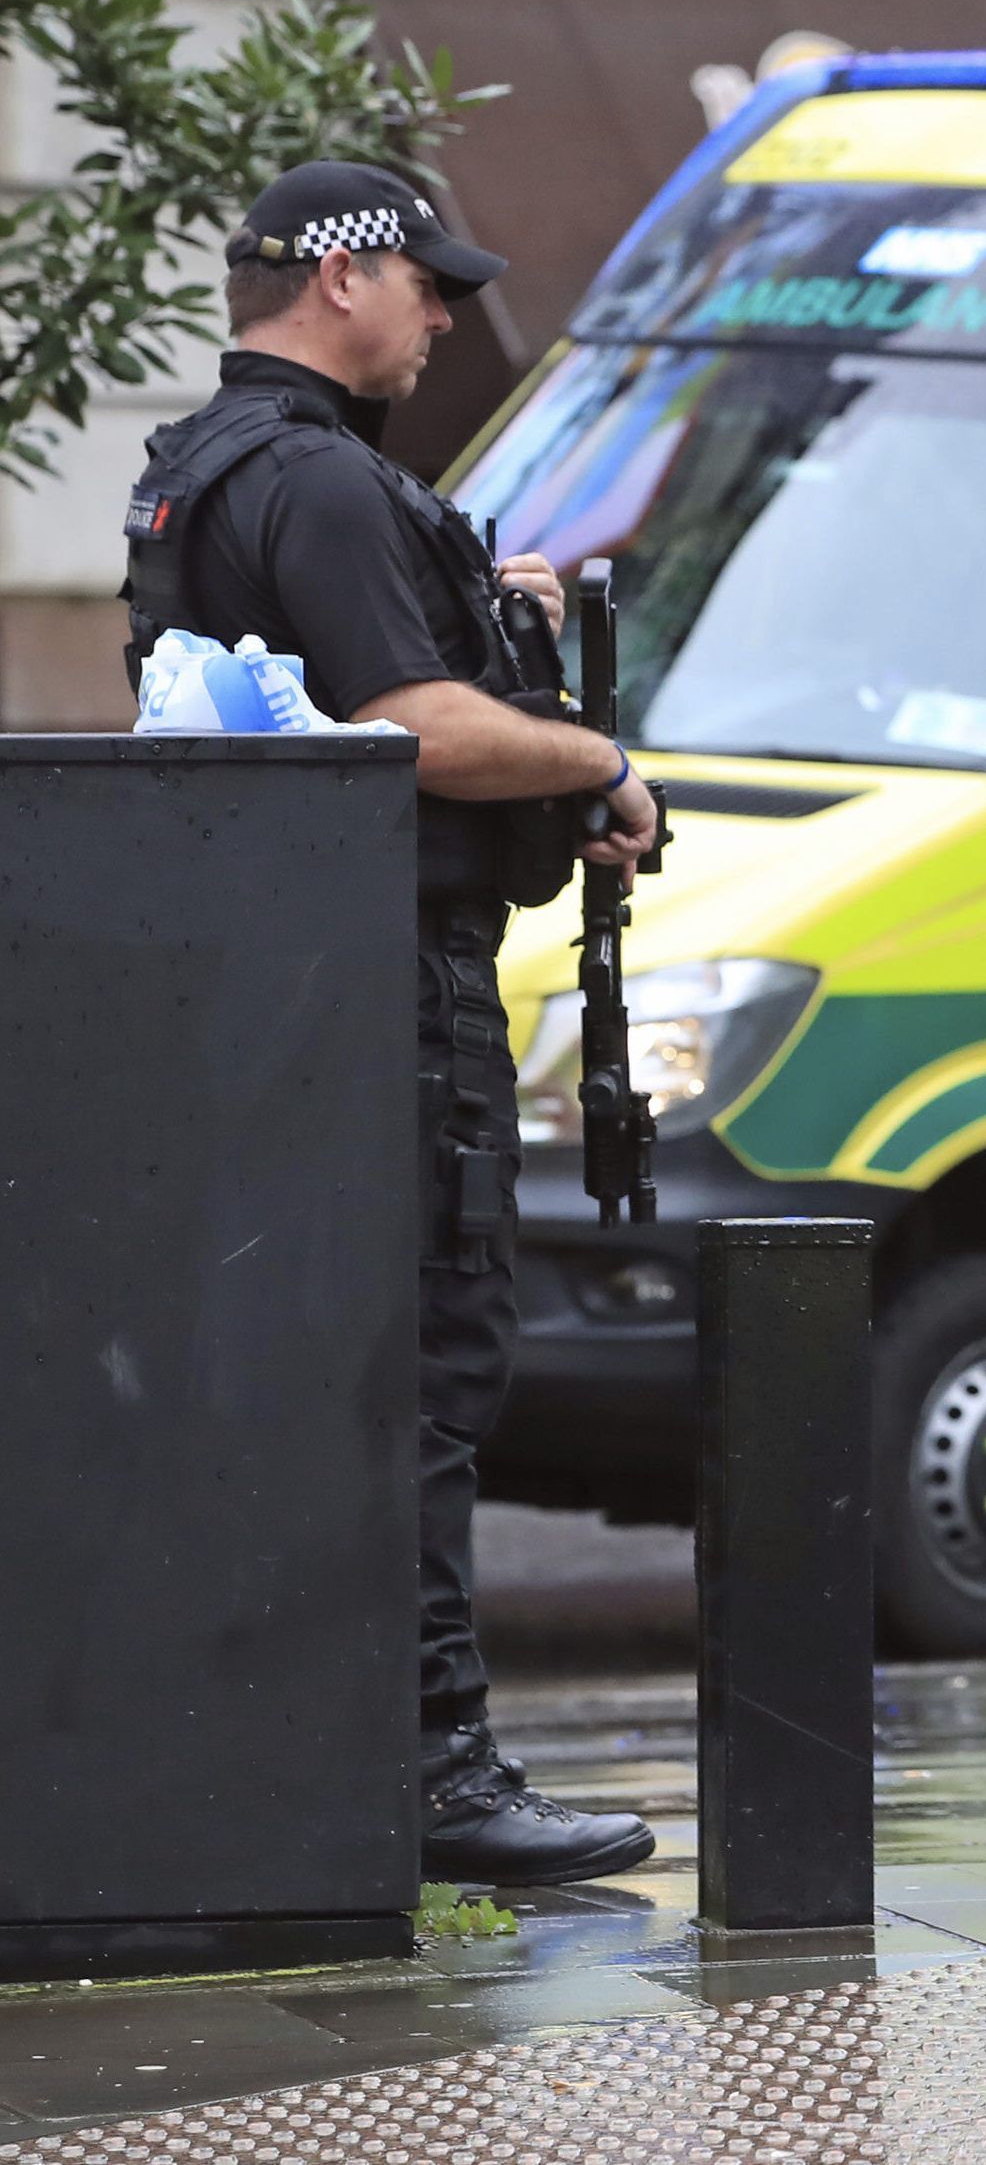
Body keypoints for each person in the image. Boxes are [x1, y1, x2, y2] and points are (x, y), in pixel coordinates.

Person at [122, 164, 665, 1888]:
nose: (443, 316)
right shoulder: (327, 487)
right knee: (428, 1367)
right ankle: (436, 1768)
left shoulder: (193, 478)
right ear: (344, 276)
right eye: (428, 281)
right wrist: (594, 757)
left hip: (265, 993)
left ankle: (293, 1752)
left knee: (308, 1379)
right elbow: (415, 730)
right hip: (390, 992)